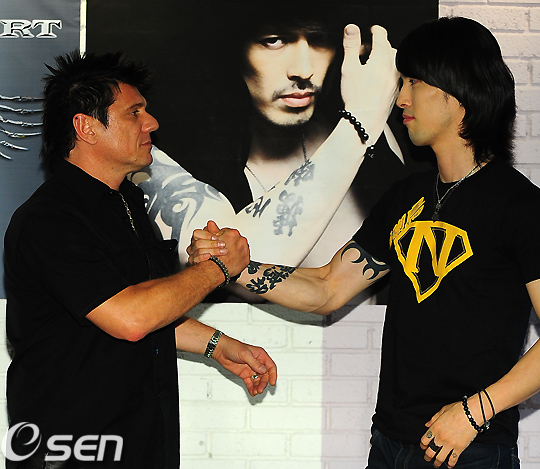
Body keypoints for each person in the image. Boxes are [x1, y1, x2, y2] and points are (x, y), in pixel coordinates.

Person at [189, 17, 540, 468]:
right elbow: (327, 288)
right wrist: (235, 265)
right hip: (391, 443)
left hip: (470, 450)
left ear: (457, 93)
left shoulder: (520, 206)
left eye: (413, 82)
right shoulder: (406, 196)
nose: (400, 98)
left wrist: (475, 412)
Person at [3, 51, 277, 468]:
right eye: (134, 113)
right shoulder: (50, 220)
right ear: (86, 127)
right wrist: (218, 269)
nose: (151, 123)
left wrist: (218, 345)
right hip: (71, 451)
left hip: (142, 443)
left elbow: (145, 309)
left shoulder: (127, 204)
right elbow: (129, 318)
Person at [132, 0, 414, 276]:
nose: (303, 70)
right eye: (274, 41)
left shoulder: (378, 133)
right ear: (232, 50)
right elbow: (231, 272)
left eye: (318, 39)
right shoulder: (153, 158)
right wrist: (360, 121)